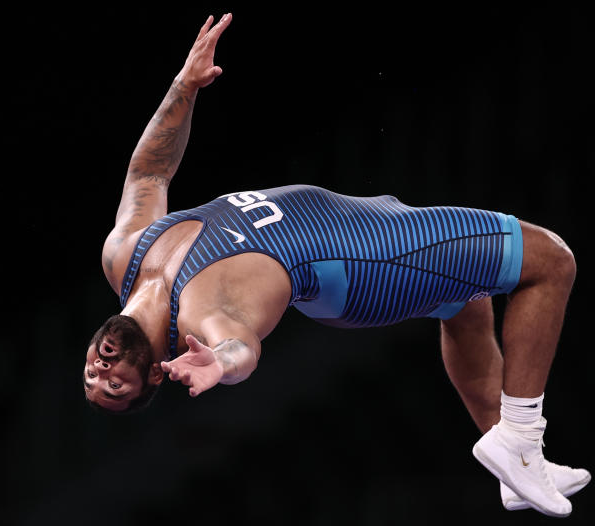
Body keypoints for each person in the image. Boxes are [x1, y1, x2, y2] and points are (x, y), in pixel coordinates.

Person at [83, 13, 590, 517]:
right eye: (115, 386)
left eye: (91, 376)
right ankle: (521, 438)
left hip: (353, 224)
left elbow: (148, 172)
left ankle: (517, 474)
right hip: (364, 262)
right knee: (549, 261)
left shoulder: (122, 257)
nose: (100, 372)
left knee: (466, 303)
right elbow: (239, 347)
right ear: (152, 376)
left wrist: (183, 87)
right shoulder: (202, 319)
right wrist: (221, 364)